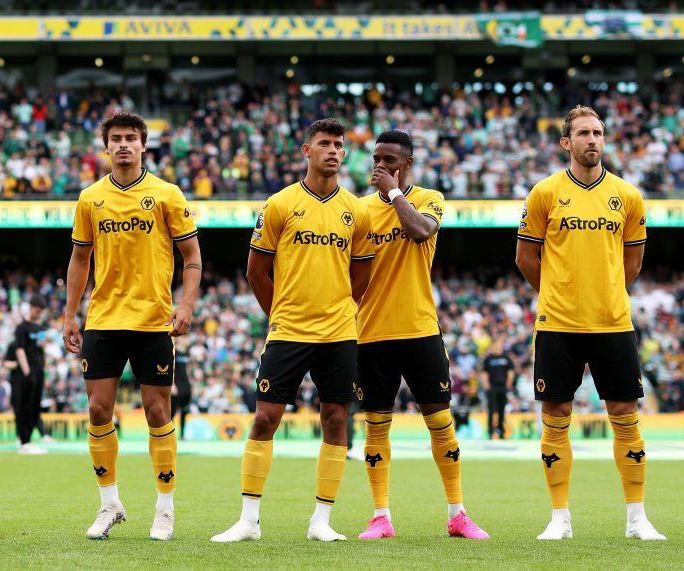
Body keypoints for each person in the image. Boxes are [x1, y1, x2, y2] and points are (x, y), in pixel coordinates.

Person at [212, 118, 374, 544]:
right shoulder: (280, 204)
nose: (334, 151)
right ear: (306, 150)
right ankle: (248, 520)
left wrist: (340, 308)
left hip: (338, 332)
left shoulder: (356, 210)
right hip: (289, 331)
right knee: (265, 418)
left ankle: (321, 521)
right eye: (325, 143)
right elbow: (256, 271)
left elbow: (363, 275)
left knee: (336, 419)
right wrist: (279, 313)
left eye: (339, 145)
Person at [516, 106, 665, 541]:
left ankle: (637, 518)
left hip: (612, 323)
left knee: (626, 416)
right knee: (555, 416)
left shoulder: (628, 196)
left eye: (598, 132)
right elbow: (526, 258)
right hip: (558, 324)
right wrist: (557, 292)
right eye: (583, 133)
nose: (592, 140)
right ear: (567, 143)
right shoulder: (544, 192)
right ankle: (560, 517)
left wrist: (606, 291)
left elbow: (632, 262)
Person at [63, 111, 201, 542]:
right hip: (104, 319)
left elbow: (192, 257)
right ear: (106, 147)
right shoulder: (90, 198)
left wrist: (187, 304)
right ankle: (109, 504)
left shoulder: (166, 194)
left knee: (157, 412)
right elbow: (80, 259)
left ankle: (165, 509)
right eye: (116, 139)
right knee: (99, 410)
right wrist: (71, 313)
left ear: (144, 145)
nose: (123, 145)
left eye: (131, 138)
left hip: (153, 321)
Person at [355, 129, 489, 540]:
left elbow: (419, 232)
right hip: (371, 332)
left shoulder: (430, 199)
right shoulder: (358, 210)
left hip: (419, 330)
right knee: (376, 426)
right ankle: (380, 516)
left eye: (390, 159)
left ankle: (457, 514)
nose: (380, 165)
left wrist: (395, 194)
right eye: (377, 157)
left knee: (440, 422)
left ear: (407, 163)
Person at [11, 297, 47, 455]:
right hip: (28, 371)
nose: (38, 314)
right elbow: (19, 349)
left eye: (41, 312)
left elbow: (41, 349)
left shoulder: (40, 328)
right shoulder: (22, 328)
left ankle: (29, 439)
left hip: (39, 370)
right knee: (25, 405)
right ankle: (24, 441)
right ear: (31, 308)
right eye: (36, 310)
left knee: (35, 406)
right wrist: (27, 371)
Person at [482, 340, 513, 439]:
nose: (497, 347)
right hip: (492, 387)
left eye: (499, 345)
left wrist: (508, 385)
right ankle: (491, 431)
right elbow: (484, 373)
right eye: (496, 345)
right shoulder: (488, 359)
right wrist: (487, 386)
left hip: (503, 387)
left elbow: (510, 372)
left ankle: (501, 431)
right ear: (493, 346)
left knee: (502, 410)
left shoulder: (506, 358)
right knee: (491, 410)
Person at [171, 335, 192, 440]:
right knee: (173, 411)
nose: (187, 340)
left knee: (185, 411)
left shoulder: (187, 353)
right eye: (184, 337)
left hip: (185, 384)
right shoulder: (174, 351)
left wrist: (190, 382)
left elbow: (187, 368)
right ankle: (170, 434)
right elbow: (170, 368)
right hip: (176, 384)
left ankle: (182, 434)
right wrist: (172, 385)